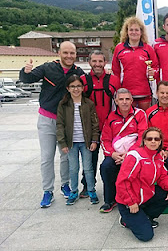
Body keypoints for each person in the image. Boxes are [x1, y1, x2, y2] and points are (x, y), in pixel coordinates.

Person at [19, 41, 85, 208]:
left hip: (67, 120)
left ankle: (65, 185)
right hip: (47, 119)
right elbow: (27, 78)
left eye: (72, 53)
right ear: (59, 53)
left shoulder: (78, 72)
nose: (69, 56)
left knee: (66, 156)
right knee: (47, 157)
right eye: (66, 53)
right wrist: (24, 71)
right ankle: (47, 191)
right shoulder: (48, 68)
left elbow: (90, 87)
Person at [116, 127, 168, 242]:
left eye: (156, 139)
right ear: (144, 141)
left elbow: (163, 176)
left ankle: (145, 216)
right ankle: (125, 219)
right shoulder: (135, 156)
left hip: (145, 197)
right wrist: (131, 202)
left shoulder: (158, 156)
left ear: (160, 142)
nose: (153, 141)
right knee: (146, 236)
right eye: (149, 139)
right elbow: (122, 182)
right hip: (129, 202)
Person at [99, 88, 148, 213]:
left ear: (132, 100)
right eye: (121, 99)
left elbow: (143, 138)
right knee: (106, 166)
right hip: (116, 155)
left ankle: (138, 198)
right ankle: (109, 200)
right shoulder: (111, 117)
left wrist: (129, 154)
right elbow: (105, 140)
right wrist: (113, 154)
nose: (124, 102)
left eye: (127, 99)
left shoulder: (140, 115)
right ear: (116, 101)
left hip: (135, 154)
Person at [79, 50, 120, 198]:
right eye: (94, 61)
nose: (97, 64)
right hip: (91, 127)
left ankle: (116, 185)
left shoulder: (114, 80)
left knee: (113, 157)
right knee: (90, 158)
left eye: (100, 61)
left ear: (105, 63)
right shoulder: (82, 80)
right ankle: (87, 185)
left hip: (111, 125)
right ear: (89, 62)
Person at [56, 75, 99, 205]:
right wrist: (62, 142)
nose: (76, 89)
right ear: (68, 88)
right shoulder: (63, 105)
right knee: (73, 168)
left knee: (88, 168)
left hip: (86, 142)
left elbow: (94, 123)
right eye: (73, 86)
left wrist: (94, 140)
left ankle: (91, 190)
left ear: (82, 87)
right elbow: (60, 124)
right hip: (71, 143)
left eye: (78, 86)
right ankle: (73, 191)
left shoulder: (88, 104)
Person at [112, 16, 159, 110]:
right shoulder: (119, 48)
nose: (134, 32)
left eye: (137, 30)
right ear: (127, 32)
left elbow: (156, 67)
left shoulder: (148, 49)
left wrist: (153, 72)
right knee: (128, 121)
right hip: (126, 93)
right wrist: (118, 91)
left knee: (145, 120)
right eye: (131, 30)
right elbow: (115, 71)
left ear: (141, 32)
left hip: (144, 92)